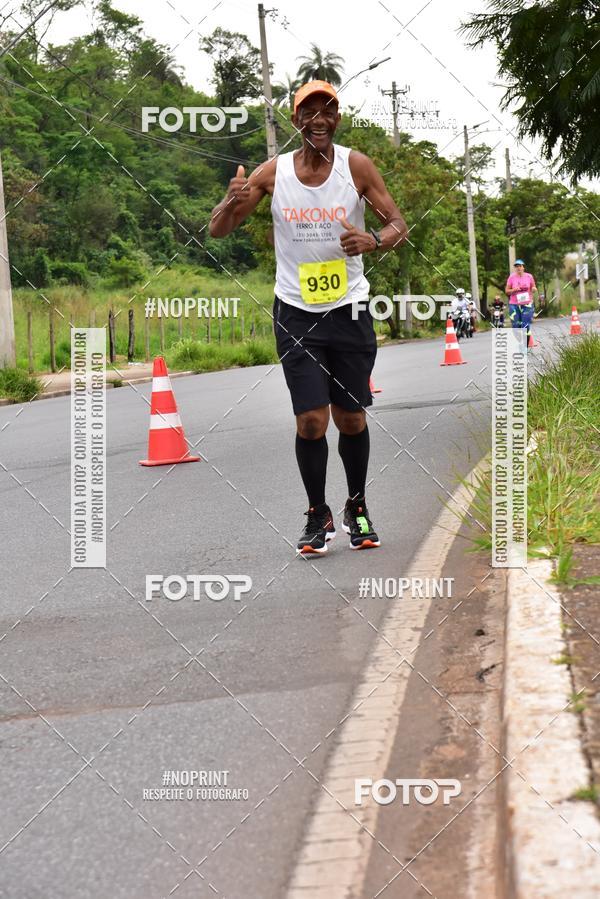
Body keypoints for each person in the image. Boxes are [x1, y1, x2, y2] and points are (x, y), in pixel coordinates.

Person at [209, 80, 407, 553]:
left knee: (351, 418)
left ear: (337, 118)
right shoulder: (273, 173)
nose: (319, 118)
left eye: (328, 110)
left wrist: (374, 240)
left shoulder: (355, 166)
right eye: (309, 111)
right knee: (312, 421)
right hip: (296, 311)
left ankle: (356, 507)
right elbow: (218, 229)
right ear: (296, 120)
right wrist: (231, 199)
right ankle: (317, 513)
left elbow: (397, 223)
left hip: (350, 308)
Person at [505, 259, 537, 341]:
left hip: (527, 303)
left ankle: (525, 342)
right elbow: (507, 291)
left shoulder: (529, 276)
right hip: (514, 304)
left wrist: (533, 289)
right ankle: (518, 341)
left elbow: (533, 287)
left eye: (520, 266)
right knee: (516, 325)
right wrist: (514, 290)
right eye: (516, 266)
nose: (518, 268)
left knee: (525, 324)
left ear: (523, 267)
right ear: (515, 268)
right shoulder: (511, 277)